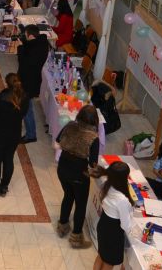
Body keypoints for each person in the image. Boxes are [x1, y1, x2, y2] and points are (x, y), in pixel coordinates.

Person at [55, 106, 100, 248]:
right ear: (95, 120)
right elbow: (93, 163)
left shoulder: (69, 126)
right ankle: (76, 238)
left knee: (68, 195)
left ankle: (62, 226)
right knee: (80, 204)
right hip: (79, 173)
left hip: (62, 168)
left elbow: (58, 140)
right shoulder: (93, 137)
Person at [0, 73, 29, 199]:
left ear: (6, 83)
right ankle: (4, 187)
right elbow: (23, 114)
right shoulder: (24, 99)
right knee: (8, 159)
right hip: (14, 135)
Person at [92, 161, 134, 270]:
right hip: (113, 233)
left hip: (103, 224)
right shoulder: (122, 199)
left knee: (101, 256)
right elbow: (126, 225)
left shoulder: (107, 184)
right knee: (108, 263)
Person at [17, 24, 50, 144]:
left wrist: (20, 47)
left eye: (26, 35)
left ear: (31, 36)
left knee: (27, 109)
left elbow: (24, 62)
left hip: (28, 82)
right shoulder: (41, 43)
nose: (25, 37)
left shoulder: (36, 50)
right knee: (25, 106)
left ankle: (31, 135)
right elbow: (30, 47)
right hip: (32, 80)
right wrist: (24, 43)